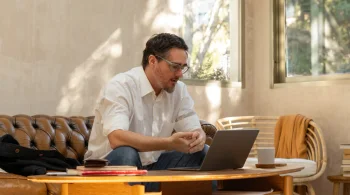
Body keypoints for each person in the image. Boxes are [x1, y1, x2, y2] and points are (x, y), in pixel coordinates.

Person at [85, 33, 208, 192]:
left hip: (152, 167)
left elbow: (194, 128)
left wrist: (199, 136)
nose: (180, 74)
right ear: (152, 61)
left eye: (183, 67)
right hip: (107, 168)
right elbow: (116, 138)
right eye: (175, 66)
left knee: (202, 152)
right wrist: (169, 142)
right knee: (126, 153)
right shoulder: (121, 85)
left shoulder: (179, 90)